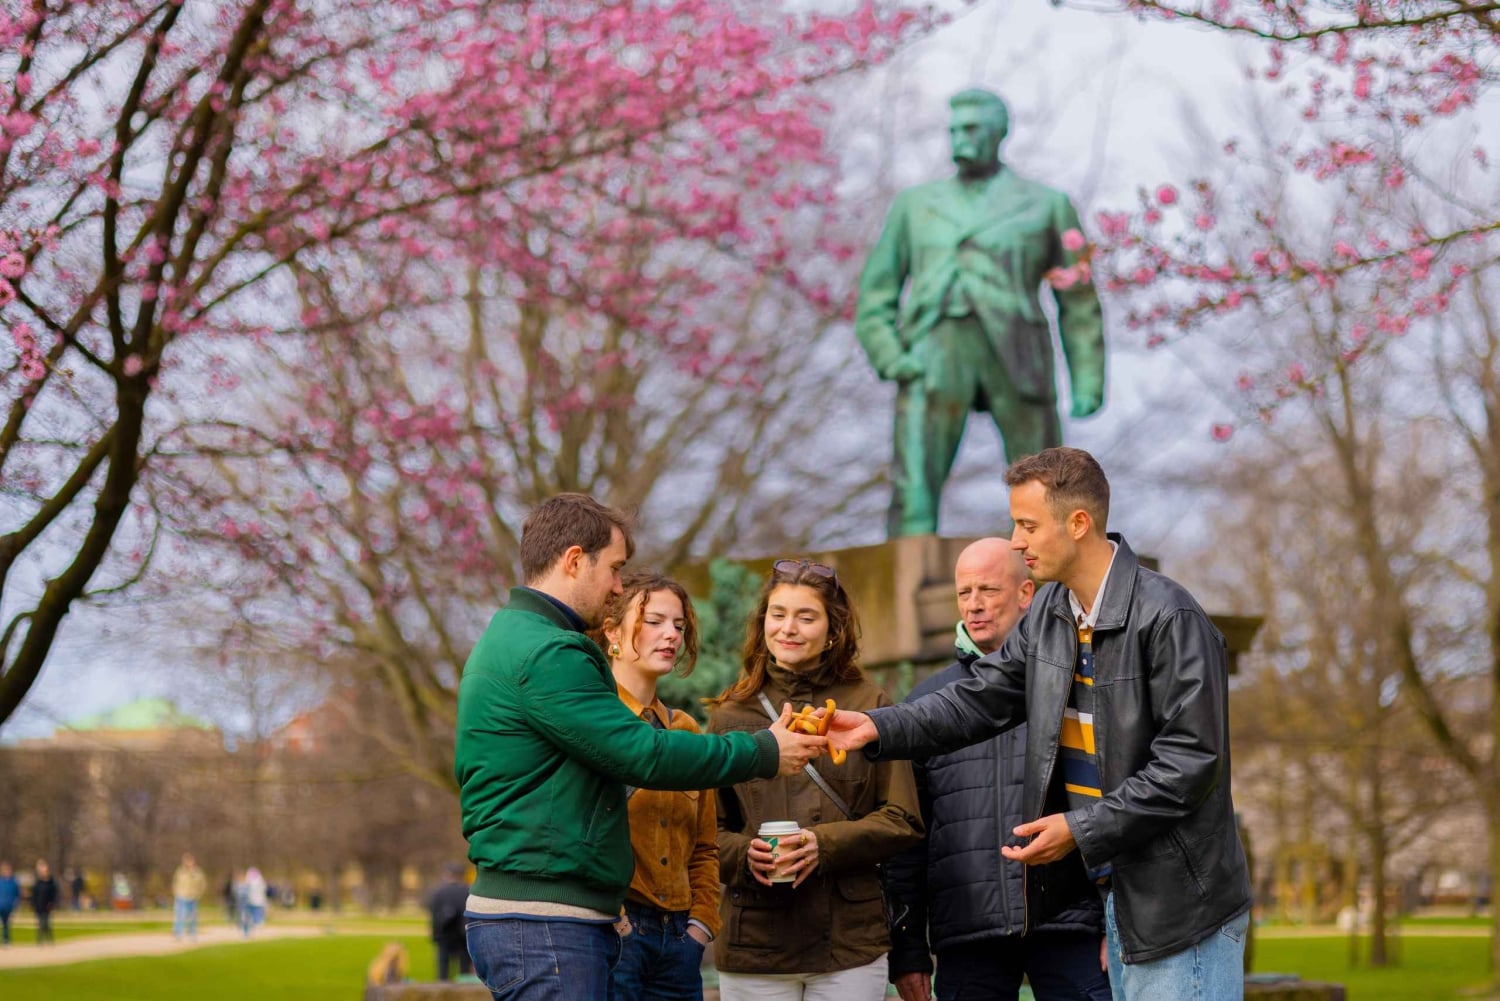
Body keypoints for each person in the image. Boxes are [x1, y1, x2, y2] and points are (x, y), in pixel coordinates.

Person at [828, 448, 1253, 1001]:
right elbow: (977, 700)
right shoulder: (1053, 613)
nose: (1016, 541)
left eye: (1027, 525)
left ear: (1078, 524)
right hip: (1122, 895)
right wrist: (876, 728)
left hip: (1181, 906)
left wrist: (1079, 830)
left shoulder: (1170, 617)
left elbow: (1189, 765)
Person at [456, 493, 827, 1001]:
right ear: (572, 560)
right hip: (544, 924)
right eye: (614, 569)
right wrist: (764, 750)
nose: (616, 585)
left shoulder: (516, 635)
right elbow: (644, 754)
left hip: (548, 920)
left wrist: (695, 926)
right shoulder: (549, 651)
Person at [854, 88, 1105, 537]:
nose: (958, 140)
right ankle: (910, 573)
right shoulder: (914, 205)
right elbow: (876, 294)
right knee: (914, 485)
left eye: (970, 129)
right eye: (952, 130)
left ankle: (1052, 581)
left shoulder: (1048, 204)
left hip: (1018, 350)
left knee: (1048, 485)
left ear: (998, 132)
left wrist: (1087, 377)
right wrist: (890, 355)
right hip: (933, 349)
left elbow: (1079, 300)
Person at [885, 538, 1109, 1001]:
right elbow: (907, 840)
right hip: (968, 937)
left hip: (1072, 925)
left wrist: (1116, 921)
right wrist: (907, 950)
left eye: (988, 590)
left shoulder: (1080, 682)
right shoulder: (928, 704)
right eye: (964, 593)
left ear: (1026, 594)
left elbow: (1115, 804)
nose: (974, 605)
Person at [707, 558, 923, 1001]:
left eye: (806, 617)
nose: (788, 628)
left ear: (832, 632)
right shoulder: (730, 715)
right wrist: (746, 856)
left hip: (849, 945)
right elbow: (706, 834)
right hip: (755, 947)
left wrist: (821, 845)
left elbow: (904, 819)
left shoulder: (871, 704)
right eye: (778, 614)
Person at [589, 570, 720, 1000]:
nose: (671, 636)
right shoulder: (590, 723)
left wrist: (700, 927)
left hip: (680, 941)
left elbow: (704, 847)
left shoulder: (685, 732)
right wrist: (617, 919)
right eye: (654, 621)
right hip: (614, 936)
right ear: (611, 631)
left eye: (679, 626)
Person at [429, 863, 473, 981]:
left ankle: (442, 989)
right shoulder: (467, 891)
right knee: (464, 968)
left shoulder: (439, 892)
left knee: (443, 967)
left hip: (444, 934)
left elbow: (434, 914)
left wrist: (435, 935)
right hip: (462, 934)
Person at [172, 852, 207, 941]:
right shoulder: (180, 871)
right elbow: (175, 883)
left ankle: (193, 934)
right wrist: (176, 893)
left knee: (193, 918)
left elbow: (202, 884)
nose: (188, 863)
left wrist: (198, 894)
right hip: (181, 897)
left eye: (189, 861)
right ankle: (179, 934)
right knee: (180, 917)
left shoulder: (197, 872)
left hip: (193, 898)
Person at [31, 860, 58, 945]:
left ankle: (45, 939)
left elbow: (54, 894)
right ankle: (42, 940)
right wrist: (33, 904)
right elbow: (34, 894)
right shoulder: (38, 883)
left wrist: (52, 903)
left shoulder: (51, 883)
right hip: (39, 906)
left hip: (47, 906)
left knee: (45, 922)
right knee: (41, 923)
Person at [240, 867, 268, 937]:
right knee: (253, 919)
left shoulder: (251, 883)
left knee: (250, 919)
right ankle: (249, 931)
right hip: (255, 903)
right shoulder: (260, 883)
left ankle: (248, 932)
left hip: (254, 903)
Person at [0, 861, 18, 946]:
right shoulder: (1, 881)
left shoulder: (13, 882)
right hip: (1, 905)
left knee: (6, 924)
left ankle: (6, 940)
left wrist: (15, 904)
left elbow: (17, 894)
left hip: (9, 906)